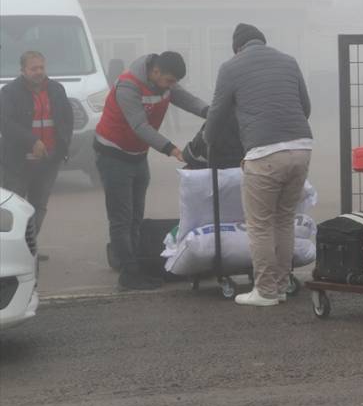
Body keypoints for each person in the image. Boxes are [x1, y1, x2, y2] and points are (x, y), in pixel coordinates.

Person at [205, 23, 312, 307]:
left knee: (260, 224)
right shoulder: (289, 61)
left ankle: (264, 291)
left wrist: (207, 140)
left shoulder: (231, 67)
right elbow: (306, 106)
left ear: (237, 48)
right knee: (284, 220)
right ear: (262, 42)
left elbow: (217, 113)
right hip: (301, 148)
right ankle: (280, 285)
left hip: (264, 154)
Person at [95, 51, 208, 290]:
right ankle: (128, 274)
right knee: (121, 217)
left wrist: (210, 112)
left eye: (173, 82)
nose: (171, 86)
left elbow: (187, 100)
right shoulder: (128, 86)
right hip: (113, 154)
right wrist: (172, 149)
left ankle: (131, 263)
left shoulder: (165, 82)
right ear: (155, 72)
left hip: (137, 154)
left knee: (136, 215)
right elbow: (139, 126)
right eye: (168, 81)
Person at [0, 51, 74, 257]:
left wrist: (62, 145)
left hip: (48, 161)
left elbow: (67, 119)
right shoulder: (9, 92)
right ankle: (8, 252)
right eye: (34, 68)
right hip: (18, 162)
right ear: (23, 70)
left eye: (42, 67)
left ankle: (27, 248)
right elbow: (5, 124)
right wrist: (31, 141)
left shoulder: (57, 89)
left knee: (38, 206)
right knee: (13, 207)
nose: (39, 72)